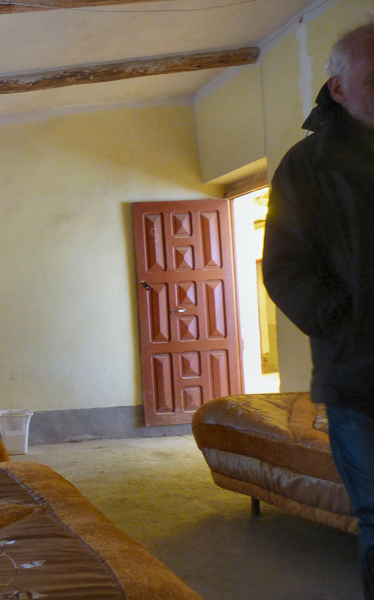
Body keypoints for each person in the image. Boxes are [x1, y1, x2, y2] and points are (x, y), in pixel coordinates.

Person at [262, 21, 374, 599]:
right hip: (362, 380)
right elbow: (284, 268)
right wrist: (351, 329)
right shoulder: (306, 167)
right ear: (340, 88)